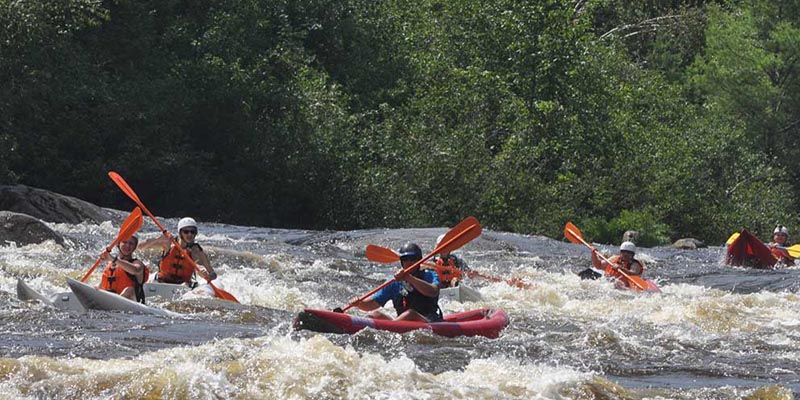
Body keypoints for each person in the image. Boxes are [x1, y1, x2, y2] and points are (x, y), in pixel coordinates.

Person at [348, 242, 442, 322]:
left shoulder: (430, 275)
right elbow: (372, 304)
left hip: (429, 320)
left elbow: (433, 291)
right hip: (401, 322)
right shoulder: (394, 281)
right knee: (374, 314)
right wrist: (359, 303)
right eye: (405, 259)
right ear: (401, 262)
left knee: (409, 314)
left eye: (413, 259)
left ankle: (393, 327)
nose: (409, 262)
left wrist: (409, 278)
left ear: (419, 260)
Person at [139, 217, 217, 287]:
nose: (189, 234)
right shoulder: (169, 244)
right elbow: (140, 246)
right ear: (180, 233)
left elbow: (213, 274)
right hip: (161, 281)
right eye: (186, 232)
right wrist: (158, 239)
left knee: (187, 285)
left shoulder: (197, 252)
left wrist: (206, 276)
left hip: (183, 286)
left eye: (192, 232)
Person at [98, 235, 149, 303]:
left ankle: (113, 304)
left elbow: (135, 270)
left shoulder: (138, 264)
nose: (127, 246)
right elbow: (101, 287)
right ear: (118, 244)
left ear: (135, 247)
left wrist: (113, 259)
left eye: (131, 243)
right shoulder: (111, 265)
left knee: (129, 290)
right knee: (96, 288)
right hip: (109, 303)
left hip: (132, 306)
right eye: (124, 242)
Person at [579, 241, 645, 283]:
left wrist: (620, 268)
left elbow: (634, 273)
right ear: (620, 252)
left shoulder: (634, 264)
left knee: (616, 283)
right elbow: (598, 265)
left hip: (622, 285)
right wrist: (594, 254)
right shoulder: (614, 258)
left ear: (632, 254)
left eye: (628, 252)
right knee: (587, 273)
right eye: (623, 251)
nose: (625, 254)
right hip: (607, 281)